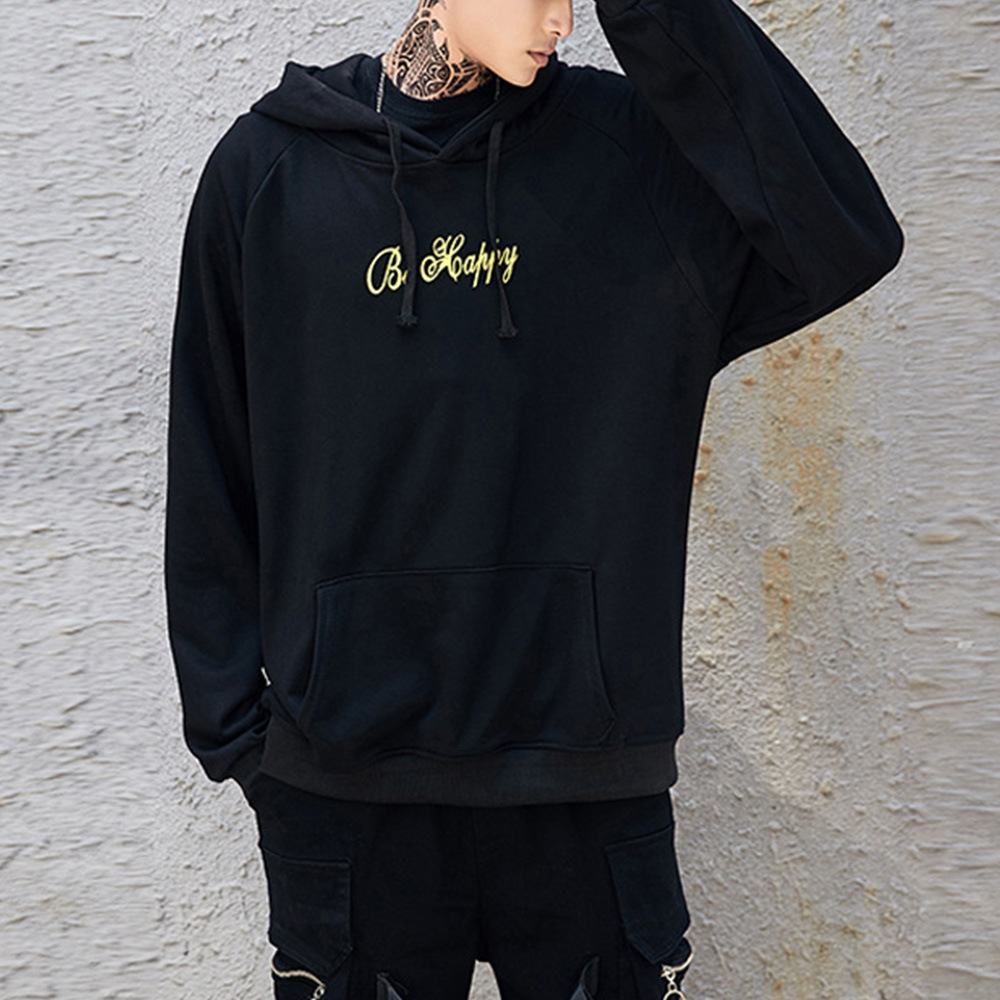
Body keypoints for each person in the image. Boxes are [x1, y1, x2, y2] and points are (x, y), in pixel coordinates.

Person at [163, 0, 904, 997]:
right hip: (345, 791)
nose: (561, 16)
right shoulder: (268, 173)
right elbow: (210, 462)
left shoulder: (637, 158)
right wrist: (243, 744)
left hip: (588, 785)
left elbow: (844, 236)